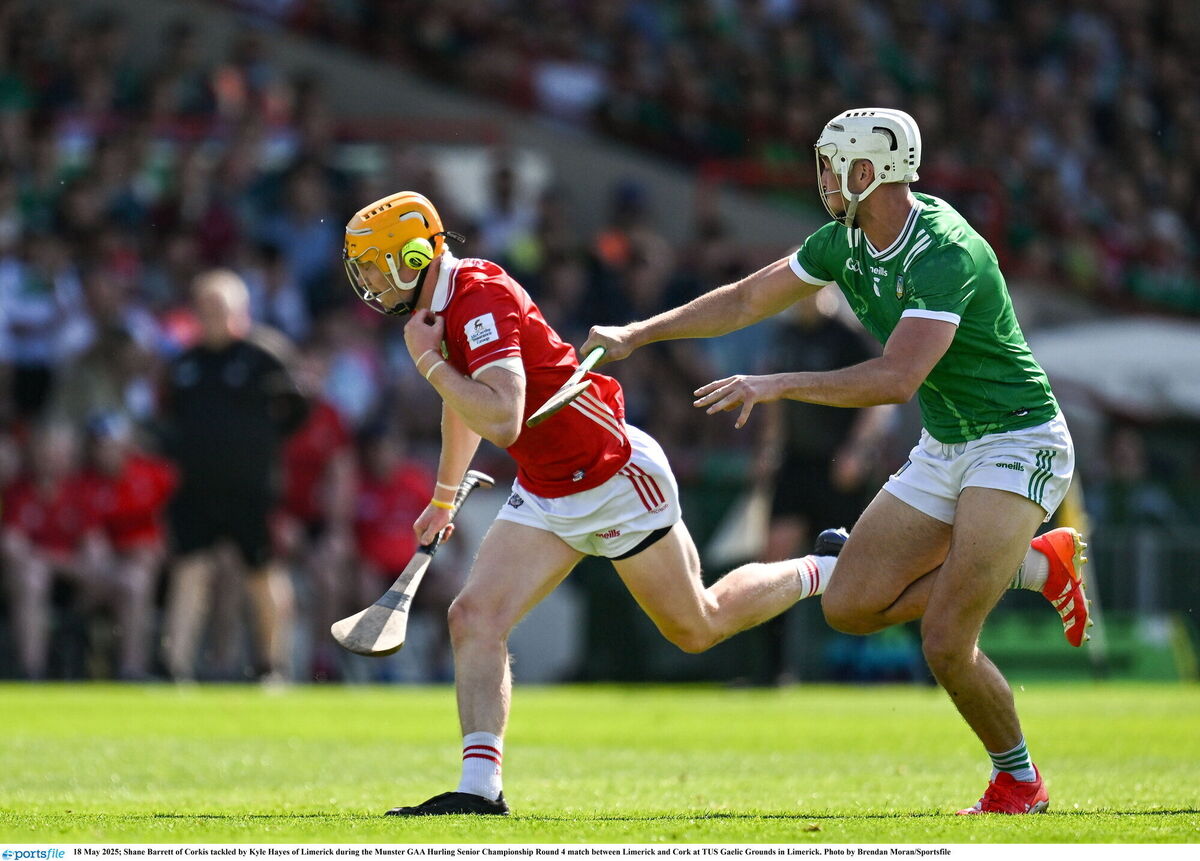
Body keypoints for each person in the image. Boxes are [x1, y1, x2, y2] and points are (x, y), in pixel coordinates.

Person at [583, 108, 1091, 815]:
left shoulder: (946, 250)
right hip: (947, 444)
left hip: (1018, 439)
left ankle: (1019, 780)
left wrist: (777, 384)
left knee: (946, 639)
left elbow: (896, 379)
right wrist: (641, 332)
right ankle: (1037, 565)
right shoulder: (841, 243)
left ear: (866, 171)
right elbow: (746, 298)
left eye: (830, 164)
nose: (820, 177)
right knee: (850, 606)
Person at [341, 191, 849, 816]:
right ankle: (479, 790)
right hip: (546, 486)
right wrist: (444, 498)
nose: (364, 280)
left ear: (413, 257)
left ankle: (822, 568)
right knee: (473, 617)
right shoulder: (433, 311)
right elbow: (465, 405)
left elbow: (499, 416)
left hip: (613, 480)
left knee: (699, 626)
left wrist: (427, 365)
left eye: (372, 265)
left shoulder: (478, 298)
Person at [159, 270, 308, 683]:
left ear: (241, 310)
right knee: (189, 570)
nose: (212, 316)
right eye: (205, 307)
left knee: (262, 573)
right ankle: (176, 667)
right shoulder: (186, 363)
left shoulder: (265, 355)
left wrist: (258, 446)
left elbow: (299, 406)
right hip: (198, 488)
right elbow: (169, 416)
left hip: (251, 488)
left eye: (220, 308)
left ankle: (271, 665)